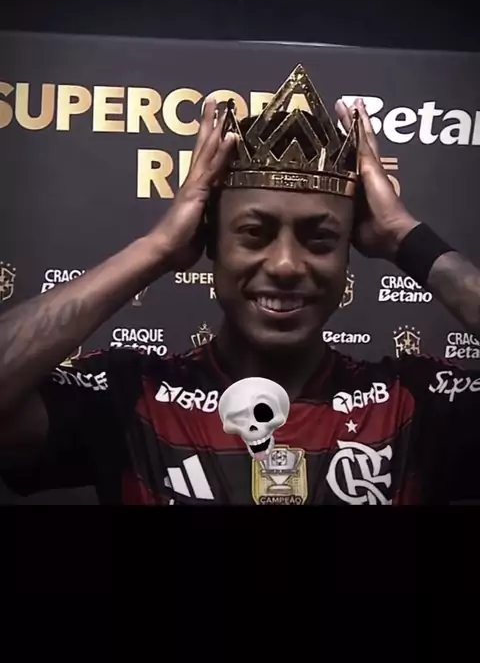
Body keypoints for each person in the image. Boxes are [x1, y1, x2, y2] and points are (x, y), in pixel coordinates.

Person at [0, 65, 479, 506]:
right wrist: (158, 246)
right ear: (210, 242)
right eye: (254, 233)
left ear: (347, 254)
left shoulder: (411, 403)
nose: (287, 265)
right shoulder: (131, 396)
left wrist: (405, 237)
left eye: (320, 239)